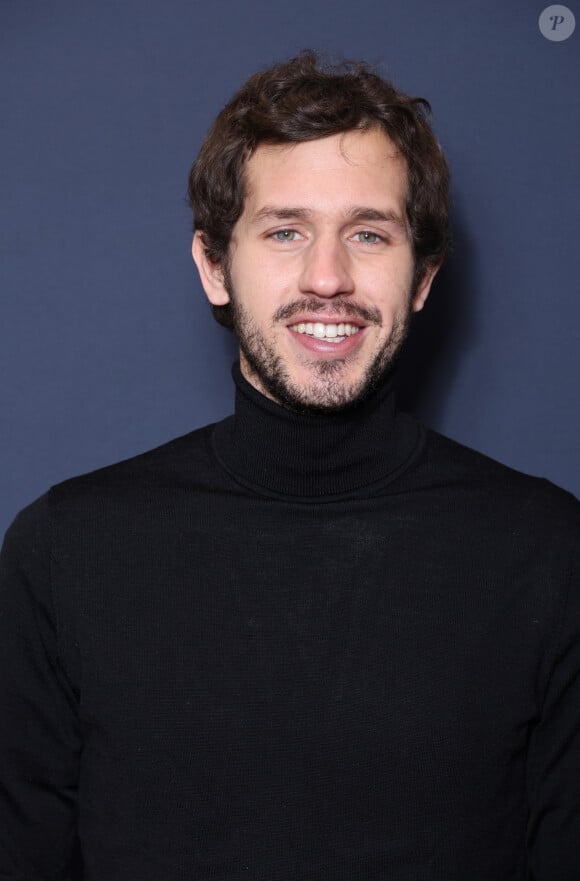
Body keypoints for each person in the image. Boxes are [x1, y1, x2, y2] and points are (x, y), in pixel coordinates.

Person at [0, 50, 578, 881]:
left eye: (369, 234)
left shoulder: (550, 552)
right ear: (213, 267)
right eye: (285, 231)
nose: (328, 278)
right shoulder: (63, 551)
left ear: (422, 278)